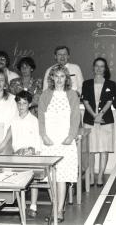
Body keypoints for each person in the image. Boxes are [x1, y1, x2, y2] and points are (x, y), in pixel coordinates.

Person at [38, 64, 80, 222]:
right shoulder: (45, 95)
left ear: (67, 78)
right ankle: (55, 206)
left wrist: (71, 136)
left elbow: (76, 117)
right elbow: (41, 117)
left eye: (62, 76)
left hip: (65, 141)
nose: (59, 79)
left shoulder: (72, 95)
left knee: (62, 176)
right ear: (52, 78)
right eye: (56, 76)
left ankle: (59, 210)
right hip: (49, 140)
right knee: (51, 177)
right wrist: (44, 135)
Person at [82, 57, 116, 186]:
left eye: (102, 66)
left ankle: (101, 175)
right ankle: (90, 176)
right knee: (90, 149)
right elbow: (85, 101)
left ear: (105, 68)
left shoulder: (111, 84)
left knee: (104, 149)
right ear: (93, 67)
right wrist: (94, 115)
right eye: (97, 65)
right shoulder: (86, 83)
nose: (99, 68)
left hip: (105, 120)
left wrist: (100, 114)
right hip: (90, 120)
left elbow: (109, 101)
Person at [11, 90, 42, 218]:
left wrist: (33, 150)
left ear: (29, 104)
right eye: (19, 103)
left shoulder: (34, 120)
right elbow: (14, 140)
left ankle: (33, 205)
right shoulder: (13, 120)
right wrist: (18, 150)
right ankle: (21, 205)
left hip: (32, 155)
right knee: (19, 179)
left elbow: (37, 139)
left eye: (24, 103)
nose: (21, 106)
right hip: (18, 155)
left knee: (34, 180)